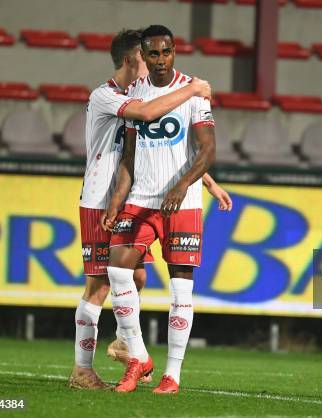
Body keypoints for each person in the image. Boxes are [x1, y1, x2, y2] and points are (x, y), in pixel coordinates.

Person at [70, 28, 231, 390]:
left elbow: (168, 152)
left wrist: (206, 181)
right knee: (99, 285)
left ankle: (127, 342)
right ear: (133, 59)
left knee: (137, 277)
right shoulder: (111, 96)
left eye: (163, 54)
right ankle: (85, 368)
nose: (154, 65)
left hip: (131, 196)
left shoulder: (142, 93)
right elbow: (146, 115)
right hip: (102, 198)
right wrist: (191, 88)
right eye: (147, 58)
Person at [103, 24, 216, 394]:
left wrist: (183, 186)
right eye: (153, 53)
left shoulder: (195, 93)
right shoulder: (136, 94)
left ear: (174, 51)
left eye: (166, 52)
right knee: (117, 269)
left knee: (180, 290)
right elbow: (129, 157)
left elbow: (208, 150)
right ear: (144, 56)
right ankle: (138, 357)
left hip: (182, 205)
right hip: (141, 200)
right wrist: (116, 201)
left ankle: (172, 375)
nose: (161, 59)